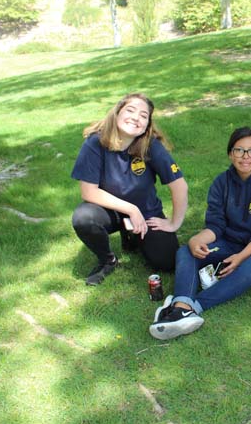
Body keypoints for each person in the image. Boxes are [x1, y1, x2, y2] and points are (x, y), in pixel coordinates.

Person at [149, 127, 251, 340]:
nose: (245, 157)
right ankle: (182, 305)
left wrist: (241, 257)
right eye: (239, 150)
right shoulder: (221, 183)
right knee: (186, 251)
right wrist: (197, 240)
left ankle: (194, 307)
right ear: (230, 153)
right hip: (227, 243)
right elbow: (216, 225)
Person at [71, 93, 188, 286]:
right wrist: (131, 210)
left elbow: (179, 185)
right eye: (130, 110)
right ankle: (107, 260)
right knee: (84, 218)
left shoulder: (151, 146)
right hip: (109, 212)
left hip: (146, 212)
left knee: (166, 262)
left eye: (143, 115)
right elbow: (88, 192)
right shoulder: (95, 143)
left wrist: (174, 223)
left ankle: (132, 236)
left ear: (147, 125)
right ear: (117, 113)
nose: (136, 118)